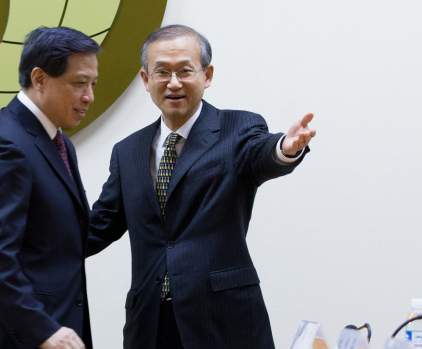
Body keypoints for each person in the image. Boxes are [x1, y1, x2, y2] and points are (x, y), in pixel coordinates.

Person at [89, 24, 316, 349]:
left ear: (207, 75)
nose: (174, 83)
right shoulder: (127, 151)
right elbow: (98, 227)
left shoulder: (238, 129)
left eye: (185, 71)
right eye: (162, 72)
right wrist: (27, 241)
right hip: (151, 325)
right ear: (145, 80)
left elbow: (262, 153)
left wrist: (285, 148)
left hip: (224, 321)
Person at [0, 27, 100, 349]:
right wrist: (43, 330)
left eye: (92, 84)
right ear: (40, 79)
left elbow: (64, 236)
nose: (89, 96)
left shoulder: (58, 141)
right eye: (79, 83)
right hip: (8, 337)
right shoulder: (4, 145)